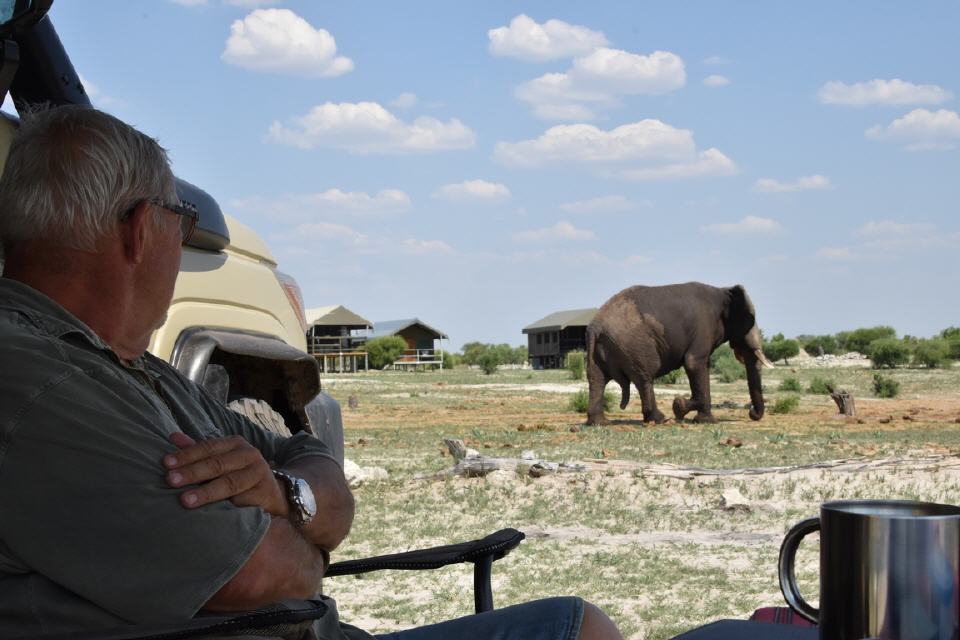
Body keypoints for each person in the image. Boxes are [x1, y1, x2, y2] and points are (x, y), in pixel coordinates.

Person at [0, 105, 623, 640]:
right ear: (141, 229)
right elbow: (275, 573)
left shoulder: (141, 373)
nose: (182, 243)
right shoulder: (38, 385)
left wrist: (280, 491)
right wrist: (301, 517)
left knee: (578, 623)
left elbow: (314, 467)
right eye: (181, 221)